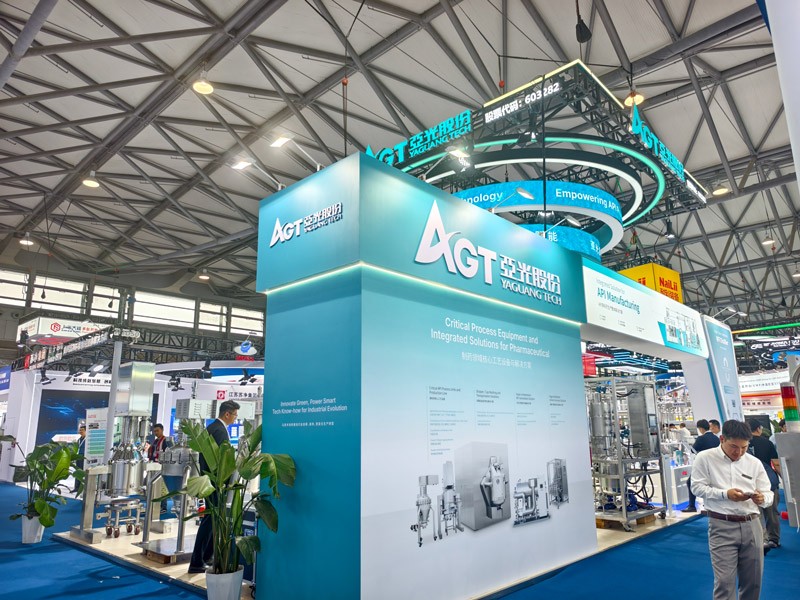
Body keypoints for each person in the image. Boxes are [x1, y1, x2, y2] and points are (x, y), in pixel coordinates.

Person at [691, 420, 773, 600]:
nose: (739, 452)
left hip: (752, 524)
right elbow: (697, 488)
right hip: (721, 524)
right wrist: (725, 494)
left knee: (753, 582)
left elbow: (768, 493)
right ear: (722, 439)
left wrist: (763, 498)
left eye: (744, 447)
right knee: (724, 583)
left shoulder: (754, 463)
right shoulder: (705, 458)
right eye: (734, 447)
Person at [188, 400, 240, 574]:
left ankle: (206, 556)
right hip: (215, 483)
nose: (235, 418)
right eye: (235, 415)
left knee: (212, 521)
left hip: (210, 481)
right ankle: (197, 561)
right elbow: (220, 460)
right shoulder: (219, 431)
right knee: (209, 521)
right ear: (227, 414)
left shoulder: (212, 428)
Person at [748, 420, 781, 550]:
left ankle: (761, 540)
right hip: (769, 481)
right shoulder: (767, 443)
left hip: (750, 483)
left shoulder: (743, 444)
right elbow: (776, 463)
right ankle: (774, 539)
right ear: (759, 428)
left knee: (755, 514)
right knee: (772, 513)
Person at [682, 419, 720, 513]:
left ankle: (692, 506)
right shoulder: (716, 438)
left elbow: (693, 450)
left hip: (703, 466)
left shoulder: (701, 438)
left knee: (690, 482)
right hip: (715, 466)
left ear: (700, 428)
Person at [146, 423, 173, 513]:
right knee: (152, 486)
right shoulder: (155, 441)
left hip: (162, 467)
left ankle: (163, 507)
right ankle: (152, 506)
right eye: (154, 431)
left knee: (162, 487)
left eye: (157, 431)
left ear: (162, 430)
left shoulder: (166, 441)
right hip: (154, 466)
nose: (156, 433)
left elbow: (170, 453)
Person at [72, 425, 86, 493]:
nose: (80, 431)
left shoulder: (87, 440)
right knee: (77, 472)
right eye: (80, 430)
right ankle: (76, 488)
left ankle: (82, 488)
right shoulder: (79, 439)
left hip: (84, 458)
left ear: (86, 431)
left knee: (83, 473)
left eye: (82, 430)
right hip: (78, 457)